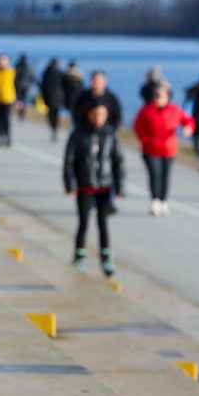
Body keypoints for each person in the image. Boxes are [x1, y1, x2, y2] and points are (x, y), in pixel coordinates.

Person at [63, 102, 124, 277]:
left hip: (105, 185)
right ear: (88, 115)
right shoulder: (78, 134)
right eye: (95, 115)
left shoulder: (111, 135)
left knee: (103, 223)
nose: (98, 119)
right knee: (83, 222)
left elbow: (119, 161)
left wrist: (120, 187)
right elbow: (69, 161)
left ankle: (106, 258)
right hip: (84, 185)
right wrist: (70, 184)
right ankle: (79, 255)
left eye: (102, 115)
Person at [133, 83, 194, 217]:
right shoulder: (146, 110)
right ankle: (155, 199)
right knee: (155, 173)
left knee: (165, 175)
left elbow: (188, 120)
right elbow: (137, 126)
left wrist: (188, 128)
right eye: (156, 95)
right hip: (151, 149)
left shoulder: (174, 110)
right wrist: (145, 140)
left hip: (168, 149)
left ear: (167, 96)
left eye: (161, 95)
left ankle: (164, 200)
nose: (158, 97)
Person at [39, 58, 65, 142]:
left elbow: (42, 86)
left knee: (50, 113)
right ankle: (55, 128)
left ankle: (53, 127)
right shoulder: (60, 73)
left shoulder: (46, 73)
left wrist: (43, 96)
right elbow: (65, 85)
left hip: (49, 97)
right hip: (58, 97)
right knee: (56, 113)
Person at [13, 54, 33, 121]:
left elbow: (13, 76)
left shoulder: (17, 66)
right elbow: (32, 76)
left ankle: (20, 113)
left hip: (18, 86)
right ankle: (22, 113)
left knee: (19, 100)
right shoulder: (28, 66)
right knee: (24, 100)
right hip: (26, 86)